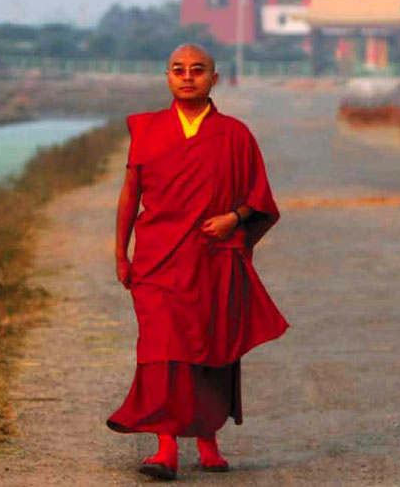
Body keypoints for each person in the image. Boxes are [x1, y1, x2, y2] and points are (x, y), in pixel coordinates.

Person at [106, 44, 289, 481]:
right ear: (167, 77)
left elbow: (259, 199)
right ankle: (165, 447)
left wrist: (234, 218)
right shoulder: (146, 129)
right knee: (162, 349)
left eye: (197, 70)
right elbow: (130, 196)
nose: (187, 77)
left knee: (209, 346)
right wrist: (120, 251)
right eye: (178, 70)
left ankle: (207, 440)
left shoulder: (235, 134)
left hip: (211, 260)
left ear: (214, 79)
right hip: (157, 260)